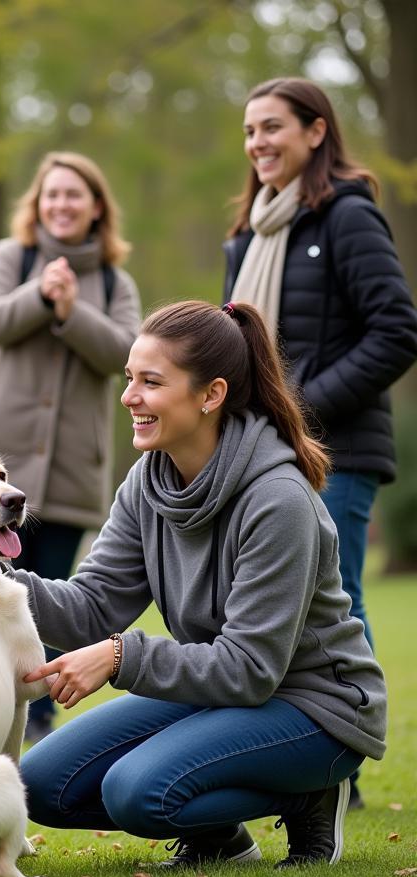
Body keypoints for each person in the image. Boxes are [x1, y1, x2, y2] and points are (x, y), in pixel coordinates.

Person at [16, 300, 385, 868]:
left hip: (314, 707)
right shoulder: (149, 480)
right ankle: (221, 837)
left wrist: (119, 657)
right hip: (219, 694)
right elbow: (91, 606)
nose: (129, 397)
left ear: (210, 394)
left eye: (150, 382)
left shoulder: (278, 500)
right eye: (129, 379)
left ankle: (310, 793)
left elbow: (250, 667)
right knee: (41, 783)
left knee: (136, 791)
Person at [0, 151, 142, 741]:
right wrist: (38, 294)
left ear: (97, 207)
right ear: (38, 204)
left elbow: (126, 354)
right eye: (52, 195)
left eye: (74, 195)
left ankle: (39, 718)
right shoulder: (13, 256)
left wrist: (70, 310)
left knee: (50, 597)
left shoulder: (112, 280)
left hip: (72, 470)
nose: (62, 205)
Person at [225, 78, 417, 654]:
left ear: (316, 131)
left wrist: (299, 410)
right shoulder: (244, 237)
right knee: (268, 604)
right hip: (260, 449)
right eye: (250, 131)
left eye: (272, 127)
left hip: (339, 451)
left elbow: (397, 333)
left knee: (337, 603)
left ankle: (351, 728)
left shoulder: (348, 216)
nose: (258, 142)